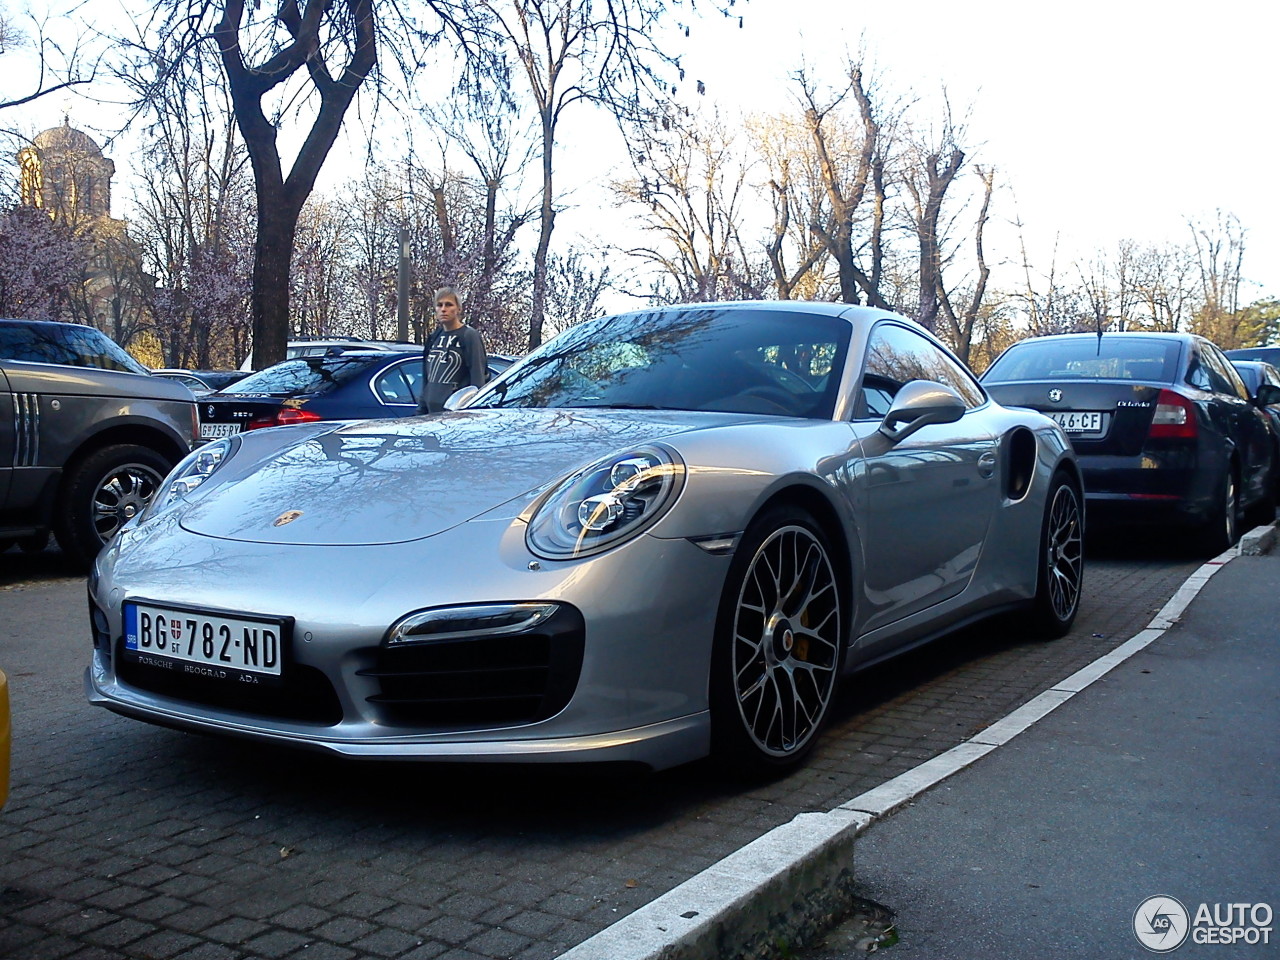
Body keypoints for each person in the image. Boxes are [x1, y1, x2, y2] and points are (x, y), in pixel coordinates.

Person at [416, 286, 488, 414]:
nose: (443, 309)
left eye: (449, 305)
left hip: (455, 414)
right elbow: (427, 377)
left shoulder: (469, 336)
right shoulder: (434, 337)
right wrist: (421, 409)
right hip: (430, 414)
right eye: (439, 305)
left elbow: (478, 378)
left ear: (458, 309)